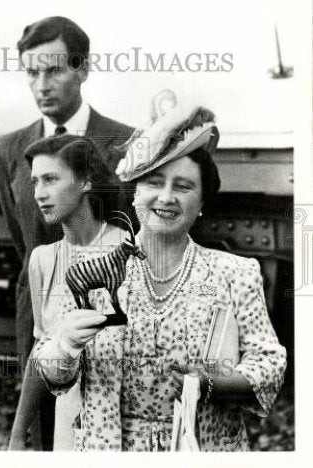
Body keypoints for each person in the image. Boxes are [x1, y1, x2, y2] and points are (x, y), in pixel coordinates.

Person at [32, 99, 287, 451]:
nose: (166, 198)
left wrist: (212, 384)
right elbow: (51, 373)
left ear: (201, 204)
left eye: (183, 187)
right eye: (154, 182)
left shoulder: (236, 273)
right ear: (135, 193)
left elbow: (269, 362)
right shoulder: (87, 267)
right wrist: (65, 346)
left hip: (203, 447)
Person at [0, 16, 134, 449]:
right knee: (43, 430)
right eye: (32, 72)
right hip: (37, 309)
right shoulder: (11, 148)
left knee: (106, 426)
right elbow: (23, 237)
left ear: (83, 69)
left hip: (108, 314)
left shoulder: (123, 142)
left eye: (54, 70)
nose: (42, 84)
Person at [8, 135, 128, 450]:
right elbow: (42, 348)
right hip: (71, 423)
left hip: (126, 424)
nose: (39, 194)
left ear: (86, 181)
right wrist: (18, 433)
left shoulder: (128, 250)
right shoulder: (43, 259)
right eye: (35, 182)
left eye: (51, 180)